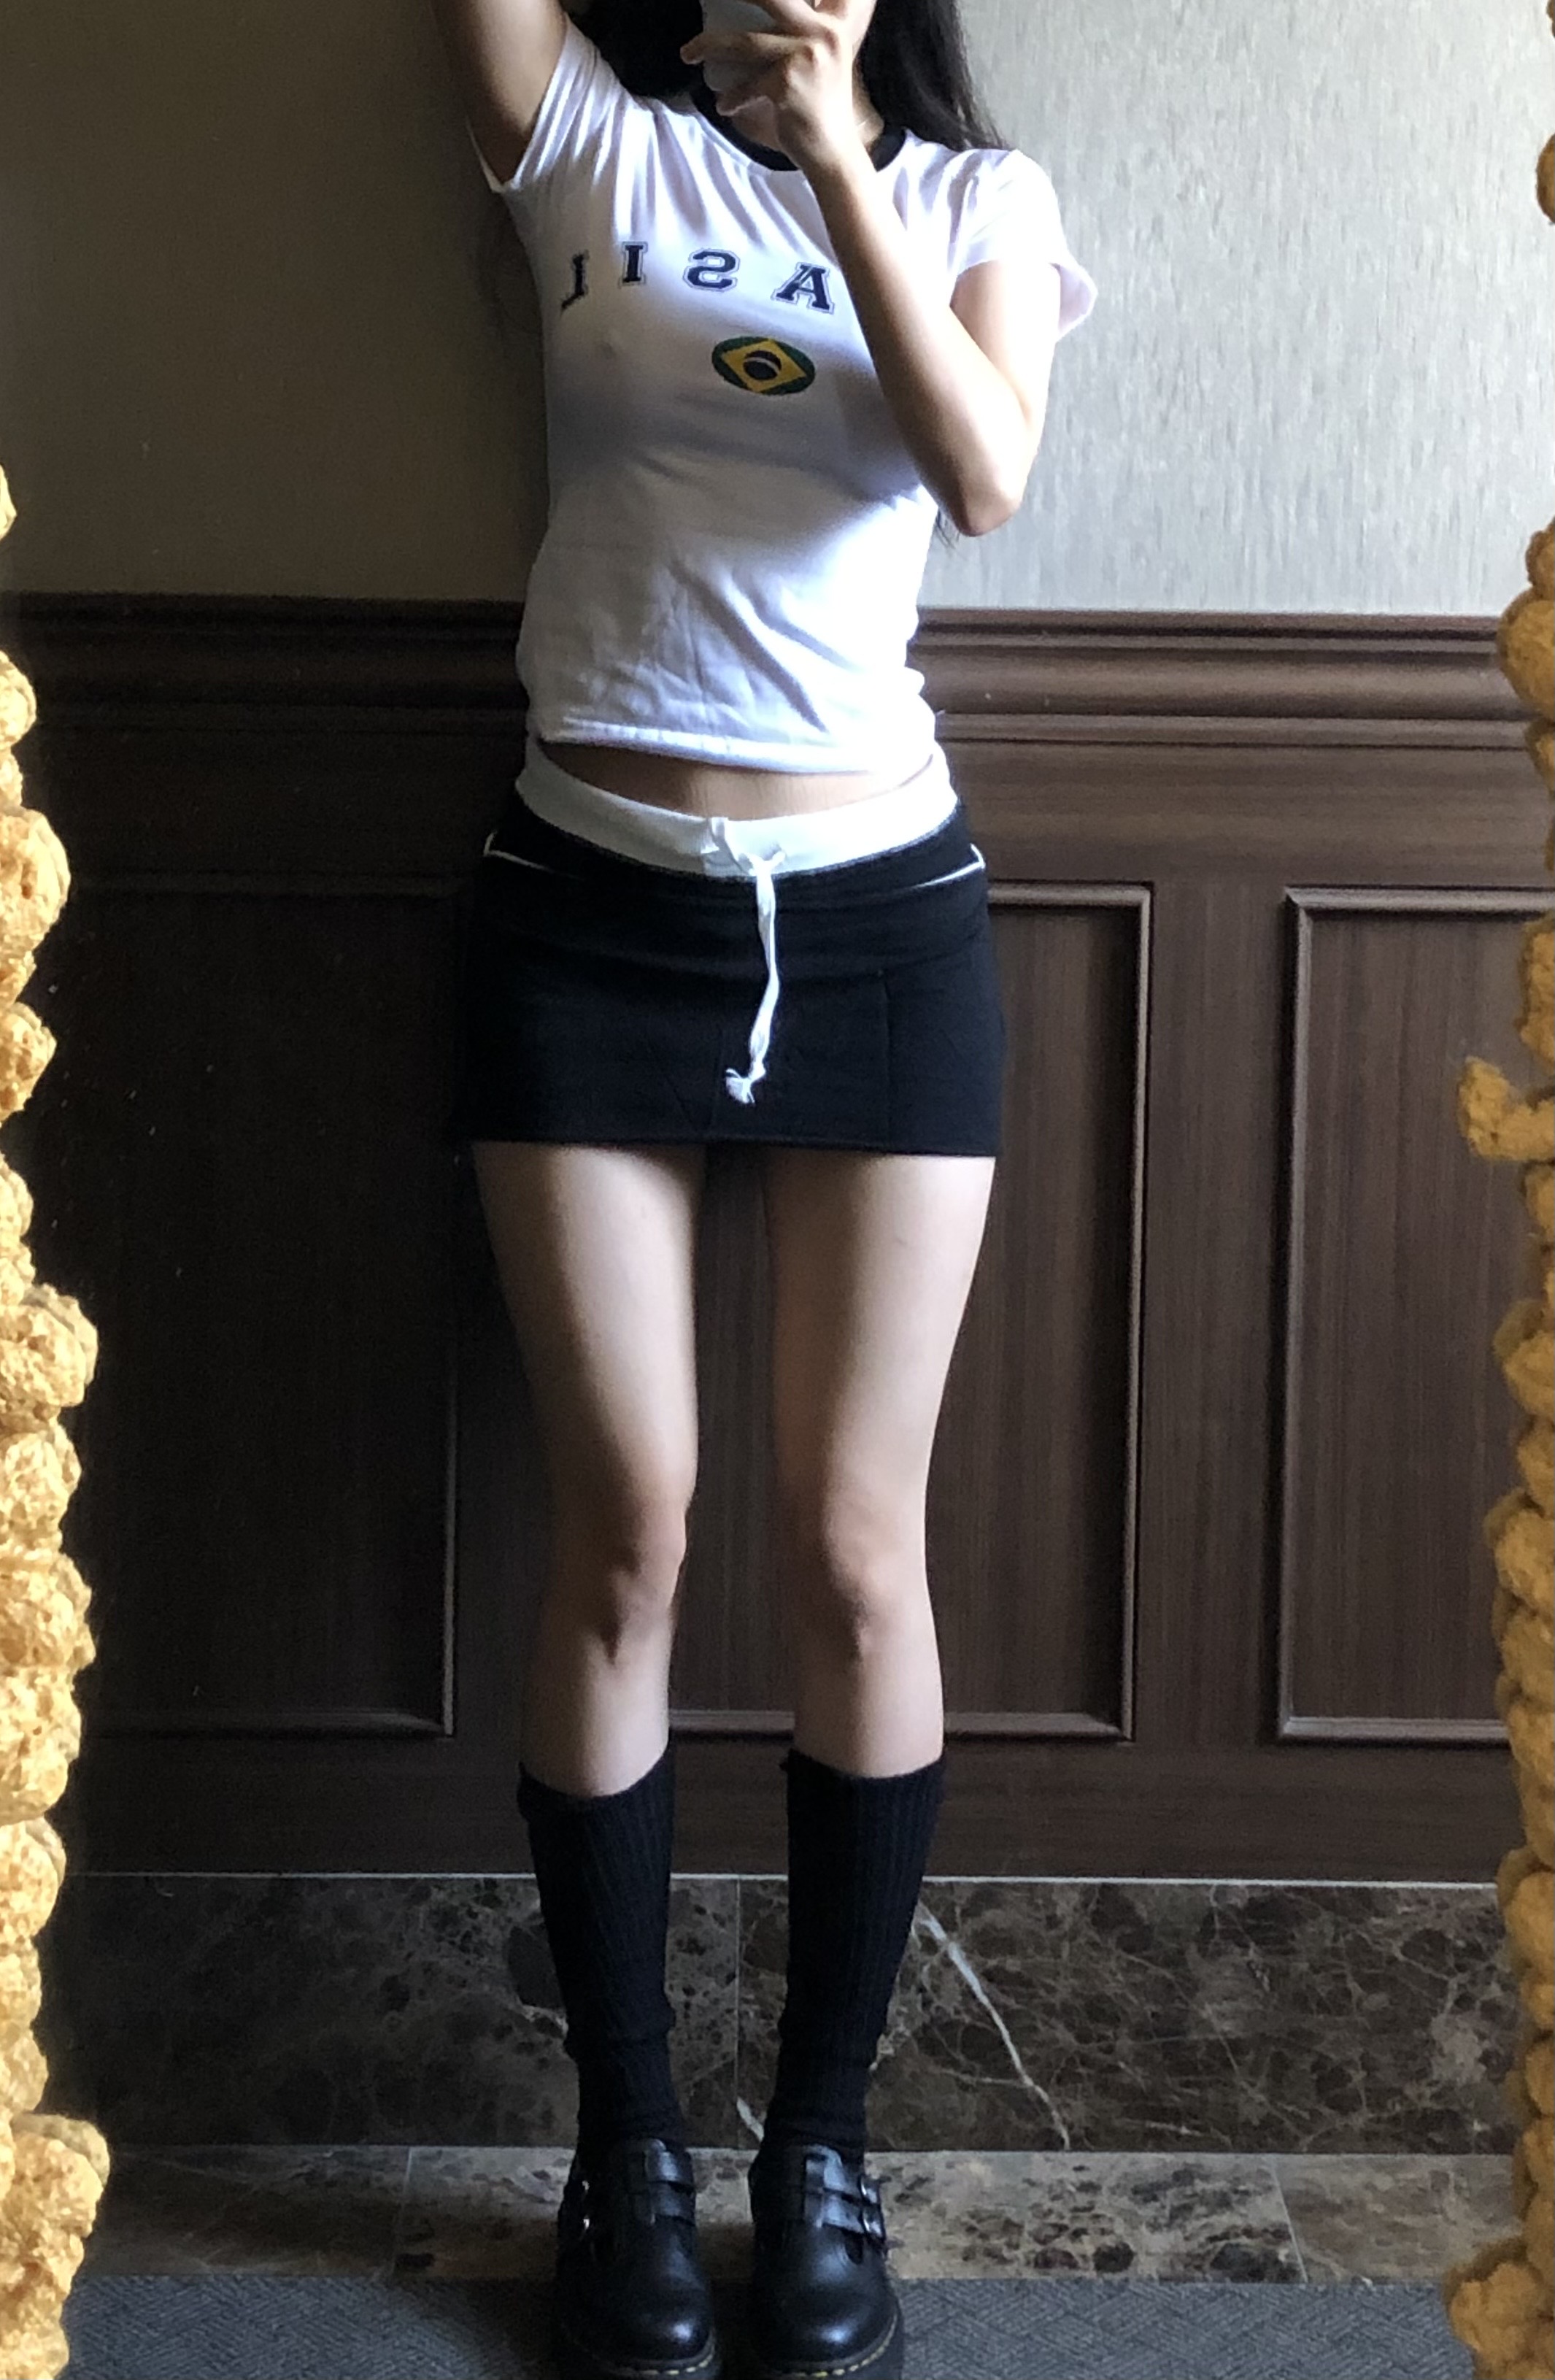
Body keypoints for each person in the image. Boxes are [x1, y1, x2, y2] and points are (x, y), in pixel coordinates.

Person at [428, 1, 1097, 2373]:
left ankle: (821, 2151)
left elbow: (981, 478)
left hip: (882, 925)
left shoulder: (978, 200)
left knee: (850, 1547)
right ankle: (623, 2149)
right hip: (584, 904)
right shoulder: (586, 142)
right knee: (627, 1528)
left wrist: (833, 160)